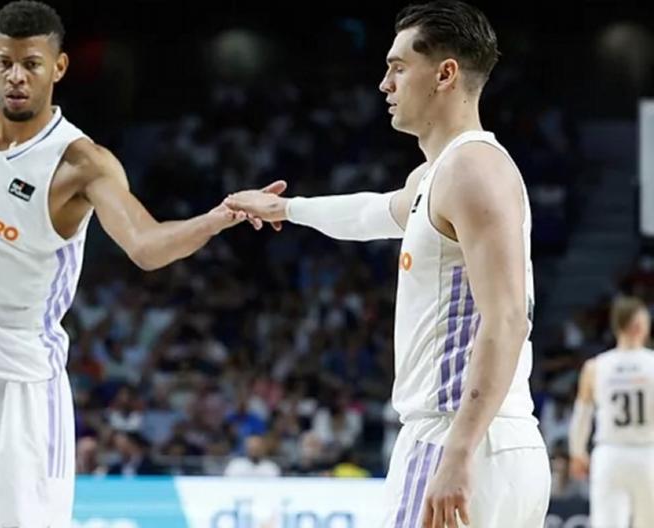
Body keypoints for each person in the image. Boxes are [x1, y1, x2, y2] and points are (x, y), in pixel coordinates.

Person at [0, 1, 277, 526]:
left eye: (31, 64)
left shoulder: (80, 164)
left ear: (59, 67)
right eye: (6, 62)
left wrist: (217, 217)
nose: (16, 76)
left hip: (14, 388)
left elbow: (146, 246)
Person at [225, 2, 549, 526]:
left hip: (457, 434)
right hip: (492, 441)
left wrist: (458, 452)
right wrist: (286, 209)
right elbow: (372, 212)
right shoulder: (441, 174)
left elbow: (508, 318)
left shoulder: (471, 169)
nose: (384, 84)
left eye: (398, 67)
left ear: (445, 74)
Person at [569, 296, 654, 528]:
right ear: (640, 325)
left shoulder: (595, 366)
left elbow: (582, 414)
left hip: (610, 454)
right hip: (648, 454)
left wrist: (577, 452)